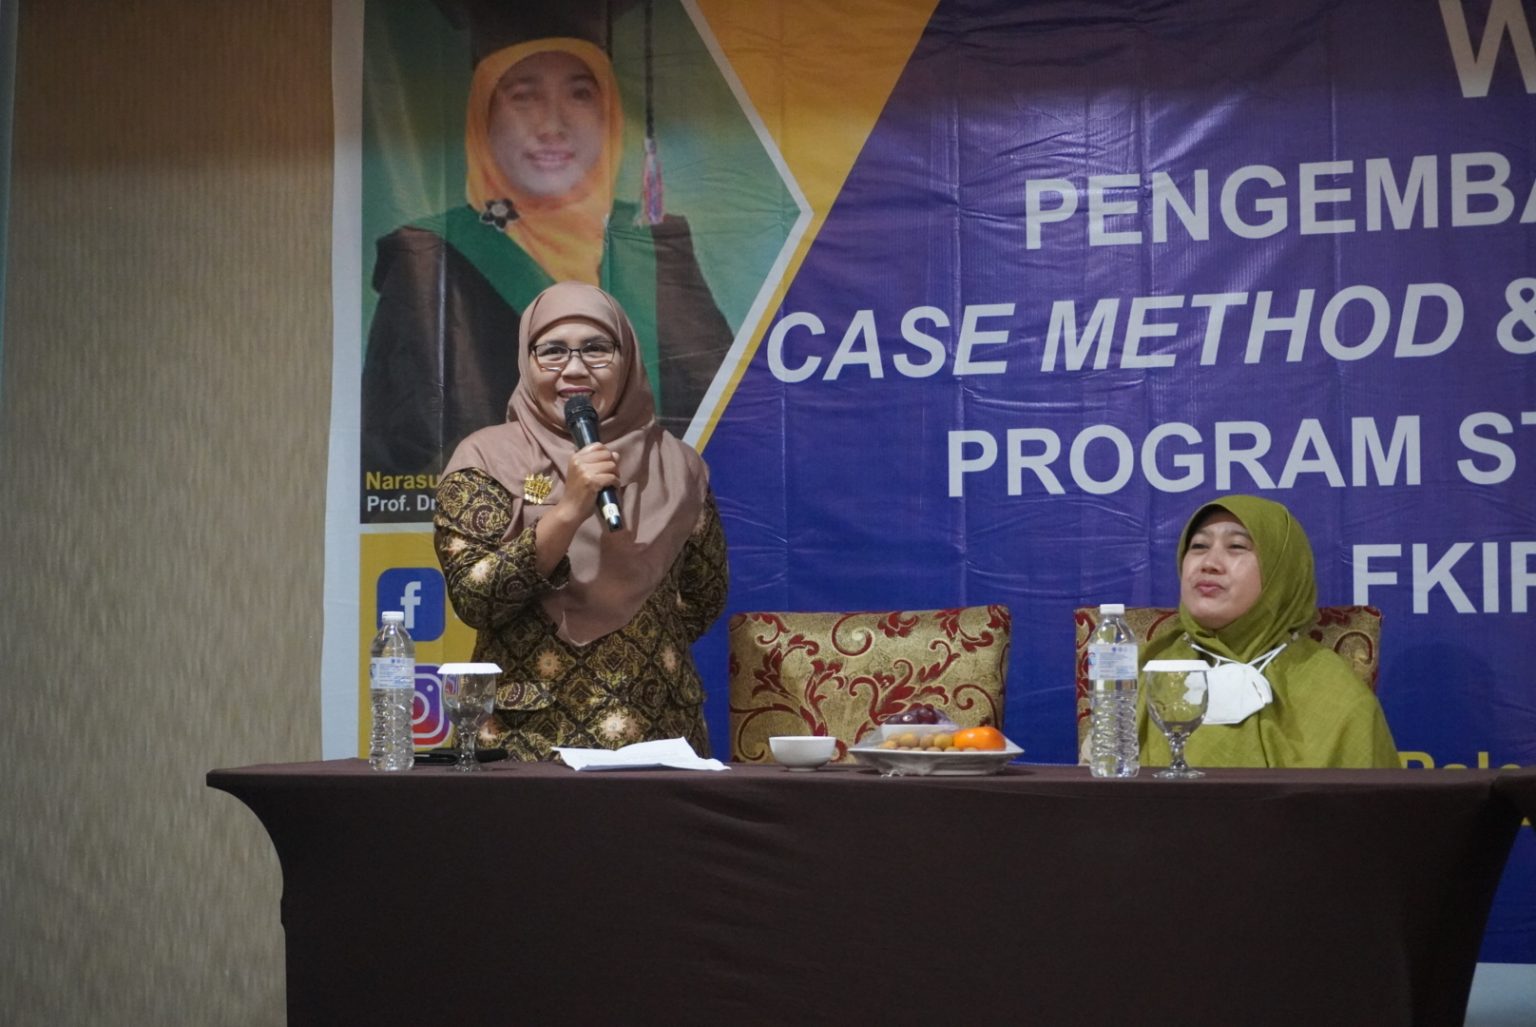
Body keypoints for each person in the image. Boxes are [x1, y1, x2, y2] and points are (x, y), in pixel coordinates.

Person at [361, 4, 732, 519]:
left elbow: (720, 414)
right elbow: (402, 455)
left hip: (652, 534)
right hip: (513, 536)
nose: (553, 125)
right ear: (482, 115)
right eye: (523, 97)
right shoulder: (429, 258)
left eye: (580, 94)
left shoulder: (653, 242)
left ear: (609, 112)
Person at [432, 281, 728, 761]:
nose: (574, 369)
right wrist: (569, 510)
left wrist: (640, 646)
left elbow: (703, 597)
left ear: (627, 358)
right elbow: (475, 599)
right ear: (527, 361)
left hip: (660, 737)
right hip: (526, 745)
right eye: (552, 351)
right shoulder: (484, 458)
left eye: (596, 349)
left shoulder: (679, 466)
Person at [1137, 494, 1399, 769]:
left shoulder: (1337, 696)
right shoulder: (1142, 676)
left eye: (1236, 546)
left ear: (1281, 571)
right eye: (1199, 546)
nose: (1209, 563)